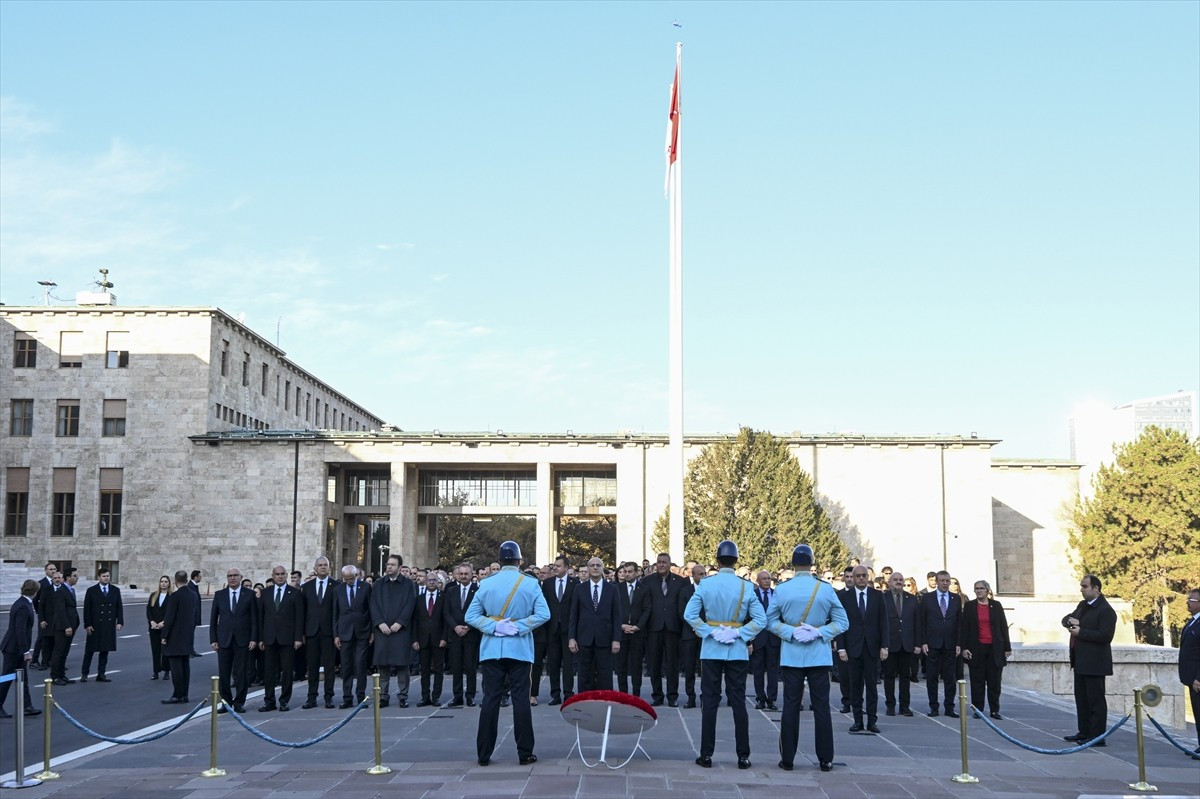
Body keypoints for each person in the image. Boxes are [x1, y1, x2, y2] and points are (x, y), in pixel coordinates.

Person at [466, 540, 550, 766]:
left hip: (492, 649)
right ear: (519, 561)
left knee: (490, 699)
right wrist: (518, 627)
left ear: (500, 561)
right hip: (519, 649)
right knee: (521, 700)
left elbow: (470, 616)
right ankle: (525, 752)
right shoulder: (530, 583)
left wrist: (494, 627)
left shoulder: (486, 583)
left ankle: (484, 754)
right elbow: (544, 614)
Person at [683, 540, 766, 770]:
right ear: (736, 560)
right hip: (737, 649)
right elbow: (761, 620)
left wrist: (710, 632)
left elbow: (689, 615)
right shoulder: (746, 587)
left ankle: (706, 754)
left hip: (712, 647)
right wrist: (738, 633)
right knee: (738, 701)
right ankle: (743, 755)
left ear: (717, 560)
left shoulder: (706, 584)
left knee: (710, 701)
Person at [768, 545, 849, 772]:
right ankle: (825, 759)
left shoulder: (782, 589)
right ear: (812, 563)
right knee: (821, 707)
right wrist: (819, 632)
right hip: (818, 655)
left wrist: (791, 631)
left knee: (790, 707)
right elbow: (842, 622)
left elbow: (770, 621)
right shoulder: (825, 589)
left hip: (792, 654)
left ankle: (788, 759)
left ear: (793, 564)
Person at [1061, 574, 1117, 745]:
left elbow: (1105, 636)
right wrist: (1069, 621)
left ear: (1096, 589)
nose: (1082, 590)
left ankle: (1097, 736)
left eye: (1085, 586)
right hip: (1080, 661)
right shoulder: (1083, 605)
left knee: (1095, 701)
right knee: (1082, 700)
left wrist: (1081, 632)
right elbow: (1066, 619)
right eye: (1081, 586)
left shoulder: (1106, 610)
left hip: (1095, 663)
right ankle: (1084, 732)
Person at [835, 565, 889, 733]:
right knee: (855, 686)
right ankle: (857, 721)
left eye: (863, 575)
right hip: (853, 648)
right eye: (857, 575)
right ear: (852, 577)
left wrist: (884, 646)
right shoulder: (844, 597)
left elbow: (883, 622)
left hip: (872, 648)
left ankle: (872, 721)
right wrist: (841, 648)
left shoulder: (877, 596)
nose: (860, 578)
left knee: (872, 686)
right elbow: (840, 623)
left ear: (868, 577)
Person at [369, 554, 419, 708]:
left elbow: (410, 605)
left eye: (392, 564)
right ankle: (383, 696)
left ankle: (403, 696)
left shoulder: (408, 584)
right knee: (383, 665)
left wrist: (400, 622)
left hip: (401, 631)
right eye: (388, 564)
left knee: (402, 665)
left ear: (399, 567)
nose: (389, 567)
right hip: (383, 630)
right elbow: (373, 605)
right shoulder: (379, 584)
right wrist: (380, 623)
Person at [638, 552, 688, 707]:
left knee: (672, 664)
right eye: (659, 562)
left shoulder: (681, 582)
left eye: (664, 562)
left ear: (669, 564)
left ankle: (672, 696)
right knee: (654, 663)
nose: (661, 565)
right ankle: (657, 696)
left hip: (673, 628)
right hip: (653, 627)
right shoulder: (647, 581)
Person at [568, 557, 622, 692]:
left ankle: (604, 701)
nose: (595, 567)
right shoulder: (579, 588)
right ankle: (585, 701)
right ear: (588, 568)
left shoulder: (612, 589)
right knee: (584, 675)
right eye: (592, 565)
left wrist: (616, 639)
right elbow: (574, 615)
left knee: (605, 675)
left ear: (603, 568)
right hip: (584, 638)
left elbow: (617, 616)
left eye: (598, 565)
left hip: (605, 639)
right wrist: (571, 638)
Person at [960, 579, 1011, 720]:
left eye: (981, 588)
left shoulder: (996, 605)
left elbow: (1003, 626)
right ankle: (978, 709)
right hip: (976, 648)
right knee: (977, 681)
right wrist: (964, 648)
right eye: (976, 588)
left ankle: (994, 710)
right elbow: (965, 628)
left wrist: (1007, 647)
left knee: (994, 682)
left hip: (994, 648)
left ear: (987, 590)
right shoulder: (970, 606)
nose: (979, 591)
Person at [258, 564, 305, 712]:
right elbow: (261, 617)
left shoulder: (295, 593)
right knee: (269, 672)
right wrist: (260, 638)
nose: (280, 576)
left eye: (282, 574)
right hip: (269, 638)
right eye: (277, 574)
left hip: (288, 638)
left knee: (287, 671)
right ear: (273, 576)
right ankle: (269, 701)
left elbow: (299, 617)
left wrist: (298, 638)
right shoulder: (265, 593)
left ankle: (284, 701)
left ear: (286, 575)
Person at [210, 566, 257, 714]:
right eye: (230, 576)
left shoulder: (249, 595)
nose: (232, 578)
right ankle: (226, 702)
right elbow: (213, 619)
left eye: (235, 575)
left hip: (243, 639)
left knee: (241, 673)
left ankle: (239, 702)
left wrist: (254, 638)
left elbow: (254, 619)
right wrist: (213, 639)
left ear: (241, 577)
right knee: (224, 673)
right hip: (224, 640)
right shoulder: (220, 595)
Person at [917, 570, 961, 717]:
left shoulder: (956, 598)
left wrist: (958, 643)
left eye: (947, 581)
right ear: (936, 582)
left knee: (950, 678)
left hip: (950, 643)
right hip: (932, 643)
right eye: (942, 580)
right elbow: (922, 621)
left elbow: (959, 623)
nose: (945, 583)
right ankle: (933, 707)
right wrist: (923, 641)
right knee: (932, 677)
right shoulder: (927, 598)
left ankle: (949, 707)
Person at [0, 579, 43, 718]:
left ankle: (27, 706)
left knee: (22, 678)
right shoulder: (23, 606)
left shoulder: (23, 602)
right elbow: (20, 630)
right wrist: (26, 651)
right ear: (35, 591)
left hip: (16, 647)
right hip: (13, 648)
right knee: (7, 678)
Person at [331, 565, 371, 708]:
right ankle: (347, 698)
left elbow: (370, 609)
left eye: (351, 578)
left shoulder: (365, 588)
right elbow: (335, 613)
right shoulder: (338, 590)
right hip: (344, 632)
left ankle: (361, 697)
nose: (349, 581)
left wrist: (372, 631)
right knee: (346, 666)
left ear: (356, 576)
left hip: (362, 631)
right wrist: (336, 635)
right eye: (346, 579)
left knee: (360, 665)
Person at [301, 556, 338, 710]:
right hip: (311, 631)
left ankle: (329, 697)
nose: (323, 567)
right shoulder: (307, 587)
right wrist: (302, 633)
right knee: (312, 667)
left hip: (329, 632)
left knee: (329, 667)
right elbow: (303, 611)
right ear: (315, 568)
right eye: (320, 565)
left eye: (325, 565)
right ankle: (311, 698)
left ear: (329, 567)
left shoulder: (336, 585)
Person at [441, 562, 480, 708]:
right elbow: (446, 612)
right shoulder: (451, 591)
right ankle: (457, 696)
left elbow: (481, 611)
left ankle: (470, 696)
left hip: (471, 634)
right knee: (456, 667)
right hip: (455, 634)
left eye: (466, 574)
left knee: (470, 667)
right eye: (461, 574)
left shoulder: (478, 591)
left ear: (471, 575)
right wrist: (455, 627)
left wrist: (469, 627)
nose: (463, 576)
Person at [540, 556, 578, 705]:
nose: (555, 568)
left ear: (566, 568)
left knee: (568, 664)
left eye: (558, 566)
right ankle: (555, 694)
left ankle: (568, 693)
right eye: (554, 566)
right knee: (553, 663)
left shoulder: (575, 583)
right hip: (552, 629)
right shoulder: (547, 583)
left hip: (569, 629)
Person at [882, 571, 919, 717]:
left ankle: (905, 707)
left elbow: (917, 622)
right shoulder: (883, 598)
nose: (898, 582)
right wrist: (882, 644)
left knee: (905, 677)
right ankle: (890, 706)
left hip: (907, 643)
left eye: (900, 579)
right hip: (890, 643)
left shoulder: (912, 599)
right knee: (889, 676)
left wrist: (917, 643)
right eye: (895, 579)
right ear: (889, 582)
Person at [80, 567, 123, 682]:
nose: (106, 578)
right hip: (95, 624)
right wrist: (87, 624)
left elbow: (119, 606)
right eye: (104, 576)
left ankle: (101, 674)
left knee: (105, 650)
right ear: (98, 577)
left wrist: (120, 621)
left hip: (108, 624)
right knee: (90, 650)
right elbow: (87, 609)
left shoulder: (115, 590)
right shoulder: (91, 590)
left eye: (108, 576)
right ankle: (84, 673)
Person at [162, 570, 199, 703]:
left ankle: (177, 694)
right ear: (187, 579)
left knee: (176, 666)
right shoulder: (193, 595)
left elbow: (170, 617)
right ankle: (185, 694)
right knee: (185, 664)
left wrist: (164, 635)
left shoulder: (175, 596)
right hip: (188, 634)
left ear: (175, 581)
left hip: (175, 635)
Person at [750, 570, 780, 711]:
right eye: (764, 578)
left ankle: (772, 699)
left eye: (769, 578)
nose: (767, 581)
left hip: (773, 637)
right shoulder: (753, 595)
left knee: (773, 671)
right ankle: (760, 698)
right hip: (758, 638)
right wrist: (750, 640)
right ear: (758, 581)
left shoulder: (777, 595)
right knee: (758, 670)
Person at [414, 572, 445, 706]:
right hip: (423, 639)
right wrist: (414, 640)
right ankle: (425, 697)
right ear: (425, 582)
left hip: (438, 639)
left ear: (438, 582)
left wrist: (444, 637)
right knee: (425, 670)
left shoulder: (443, 597)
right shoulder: (419, 599)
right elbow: (415, 620)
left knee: (438, 669)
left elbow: (445, 619)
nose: (432, 582)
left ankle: (436, 696)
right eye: (429, 580)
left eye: (434, 580)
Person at [616, 561, 646, 698]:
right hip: (621, 632)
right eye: (625, 572)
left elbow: (647, 609)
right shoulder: (617, 588)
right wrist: (621, 625)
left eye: (630, 571)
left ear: (636, 572)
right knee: (621, 665)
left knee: (636, 665)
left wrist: (638, 626)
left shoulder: (644, 588)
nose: (627, 574)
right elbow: (614, 610)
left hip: (637, 633)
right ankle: (623, 695)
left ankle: (636, 695)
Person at [677, 564, 705, 708]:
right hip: (689, 634)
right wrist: (695, 628)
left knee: (705, 668)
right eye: (700, 574)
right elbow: (682, 612)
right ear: (693, 576)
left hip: (705, 634)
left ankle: (705, 696)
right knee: (689, 667)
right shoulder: (685, 591)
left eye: (704, 573)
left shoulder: (709, 591)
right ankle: (690, 696)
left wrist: (703, 628)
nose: (703, 576)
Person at [48, 568, 80, 685]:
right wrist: (67, 626)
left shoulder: (71, 590)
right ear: (68, 578)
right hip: (62, 627)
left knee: (65, 652)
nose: (77, 578)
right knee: (59, 652)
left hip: (71, 625)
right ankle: (55, 676)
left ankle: (62, 675)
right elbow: (60, 610)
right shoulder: (61, 591)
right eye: (75, 576)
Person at [1177, 588, 1200, 754]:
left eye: (1191, 600)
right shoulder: (1193, 621)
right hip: (1190, 677)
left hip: (1197, 679)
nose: (1187, 603)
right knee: (1197, 713)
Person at [31, 563, 57, 670]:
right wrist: (40, 613)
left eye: (54, 569)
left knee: (52, 638)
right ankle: (34, 660)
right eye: (50, 569)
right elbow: (35, 600)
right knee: (41, 638)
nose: (53, 571)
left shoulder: (57, 583)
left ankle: (49, 660)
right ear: (46, 571)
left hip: (54, 617)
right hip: (44, 616)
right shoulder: (41, 584)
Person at [147, 576, 172, 680]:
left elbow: (171, 612)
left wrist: (164, 622)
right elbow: (149, 610)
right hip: (154, 628)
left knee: (165, 650)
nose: (163, 583)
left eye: (165, 581)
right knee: (155, 650)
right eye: (161, 581)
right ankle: (156, 672)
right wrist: (151, 621)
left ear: (169, 583)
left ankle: (166, 671)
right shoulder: (153, 595)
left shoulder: (172, 596)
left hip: (166, 628)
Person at [188, 569, 203, 657]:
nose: (201, 578)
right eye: (200, 576)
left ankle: (191, 650)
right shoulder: (191, 586)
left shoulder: (194, 586)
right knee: (189, 634)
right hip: (191, 615)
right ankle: (188, 651)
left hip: (194, 615)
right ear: (195, 577)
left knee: (191, 634)